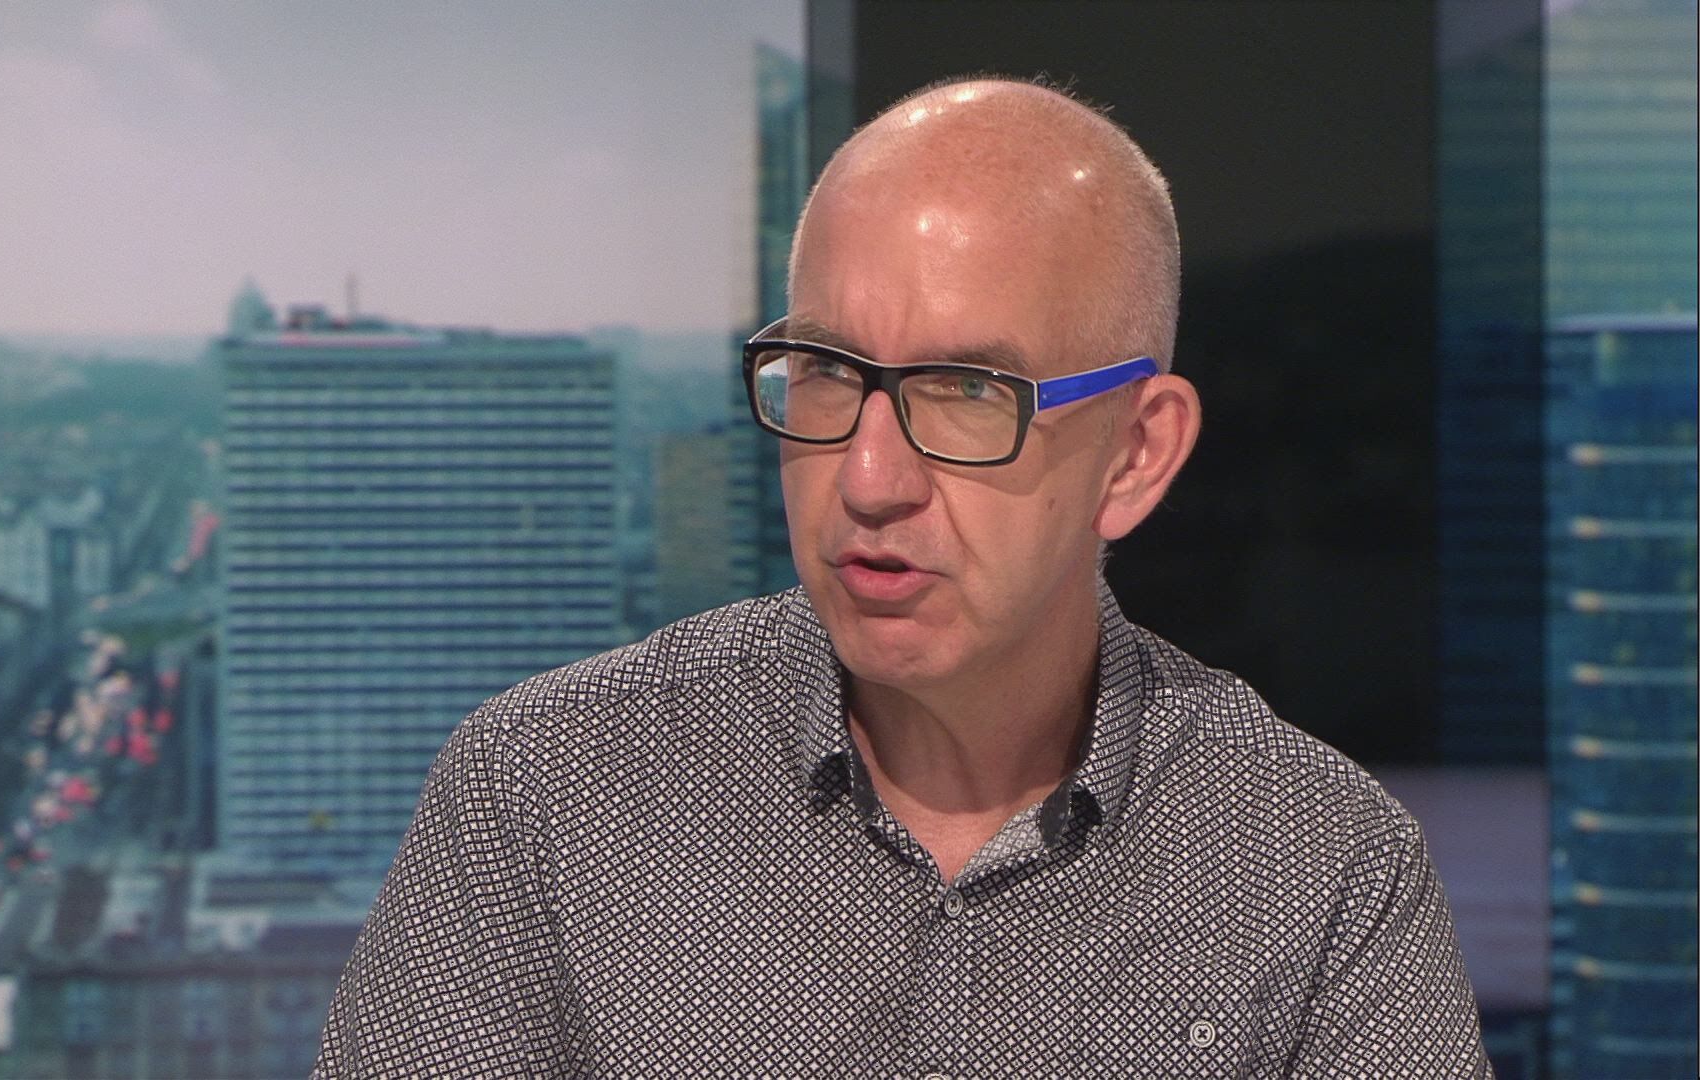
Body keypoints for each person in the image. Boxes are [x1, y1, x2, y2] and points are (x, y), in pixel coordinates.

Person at [314, 78, 1490, 1078]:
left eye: (968, 392)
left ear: (1136, 455)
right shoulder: (540, 790)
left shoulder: (1324, 865)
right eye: (826, 372)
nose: (869, 479)